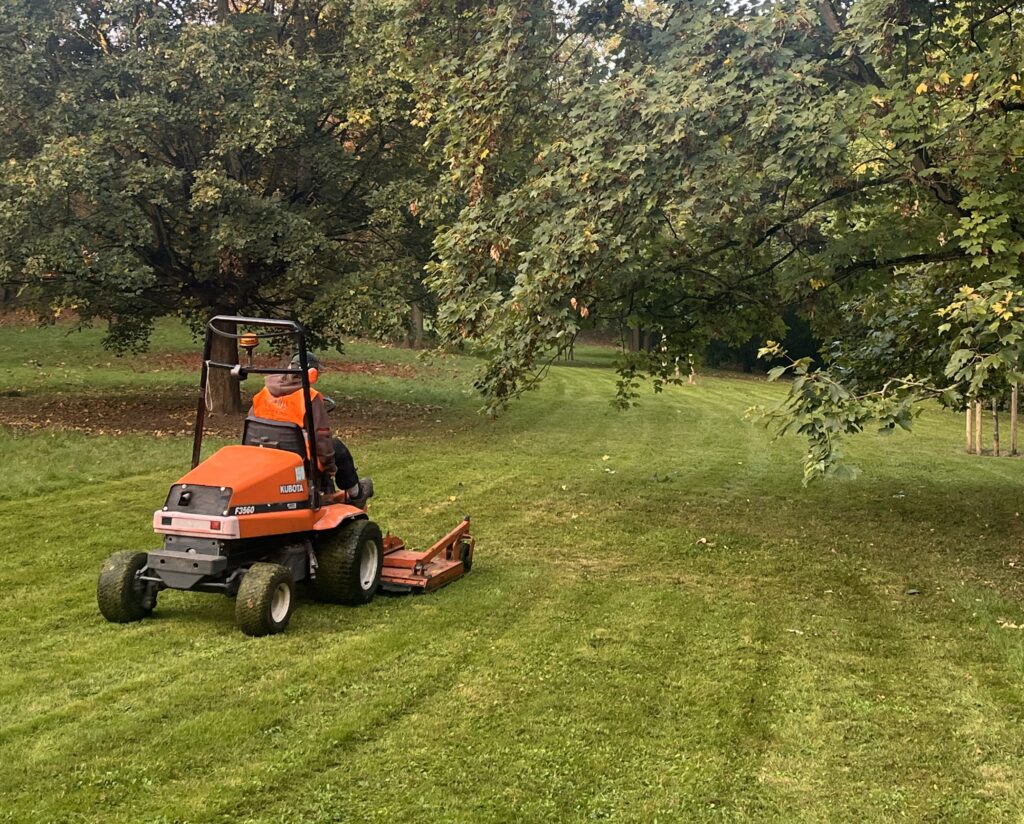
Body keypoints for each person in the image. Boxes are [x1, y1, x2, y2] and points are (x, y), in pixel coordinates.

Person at [248, 352, 373, 507]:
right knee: (338, 448)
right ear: (311, 374)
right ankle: (356, 494)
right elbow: (322, 437)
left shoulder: (264, 393)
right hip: (299, 459)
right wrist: (329, 466)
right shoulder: (309, 398)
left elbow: (252, 424)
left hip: (264, 455)